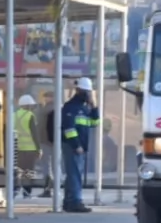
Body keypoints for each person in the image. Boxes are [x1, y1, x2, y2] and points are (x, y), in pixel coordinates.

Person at [47, 77, 100, 213]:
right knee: (75, 174)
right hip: (72, 146)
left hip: (80, 146)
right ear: (79, 91)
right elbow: (69, 128)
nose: (88, 94)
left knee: (74, 174)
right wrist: (76, 145)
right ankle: (75, 201)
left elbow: (95, 124)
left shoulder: (84, 108)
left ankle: (69, 202)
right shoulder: (71, 107)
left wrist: (94, 107)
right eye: (87, 92)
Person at [14, 94, 40, 198]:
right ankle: (27, 191)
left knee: (18, 170)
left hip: (17, 147)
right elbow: (35, 133)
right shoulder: (30, 115)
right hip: (30, 148)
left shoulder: (14, 115)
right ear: (28, 105)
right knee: (29, 171)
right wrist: (39, 148)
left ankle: (15, 189)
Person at [34, 89, 56, 200]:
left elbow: (40, 125)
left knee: (47, 166)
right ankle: (51, 187)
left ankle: (49, 188)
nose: (46, 99)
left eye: (48, 97)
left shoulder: (47, 109)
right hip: (53, 141)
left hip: (46, 141)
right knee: (52, 165)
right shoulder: (57, 108)